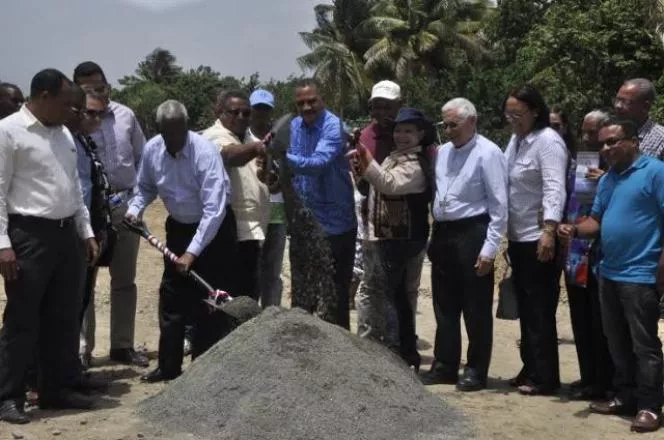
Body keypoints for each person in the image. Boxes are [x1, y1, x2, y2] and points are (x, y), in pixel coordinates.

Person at [0, 69, 99, 424]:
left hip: (65, 234)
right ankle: (8, 396)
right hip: (28, 235)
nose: (71, 110)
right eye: (65, 103)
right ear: (43, 96)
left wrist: (85, 231)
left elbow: (73, 187)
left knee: (63, 317)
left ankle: (56, 388)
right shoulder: (9, 131)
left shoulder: (63, 135)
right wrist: (3, 245)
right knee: (23, 319)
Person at [559, 119, 664, 433]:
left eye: (613, 141)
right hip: (608, 271)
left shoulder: (656, 172)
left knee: (643, 344)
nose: (606, 148)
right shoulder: (608, 180)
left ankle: (649, 405)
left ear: (633, 141)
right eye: (602, 143)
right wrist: (574, 229)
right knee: (616, 341)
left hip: (642, 274)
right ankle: (625, 396)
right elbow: (596, 222)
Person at [126, 100, 235, 383]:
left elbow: (214, 209)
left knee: (209, 301)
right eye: (167, 132)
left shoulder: (205, 152)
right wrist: (135, 209)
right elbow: (145, 188)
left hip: (213, 232)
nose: (173, 139)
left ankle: (204, 370)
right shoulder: (152, 150)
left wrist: (192, 253)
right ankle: (169, 367)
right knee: (172, 299)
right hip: (178, 229)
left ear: (186, 127)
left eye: (178, 131)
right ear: (160, 129)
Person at [420, 98, 508, 392]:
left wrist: (489, 249)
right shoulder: (443, 152)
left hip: (473, 232)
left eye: (453, 125)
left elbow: (499, 207)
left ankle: (475, 369)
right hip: (444, 233)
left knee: (475, 307)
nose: (447, 130)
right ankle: (445, 365)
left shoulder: (489, 152)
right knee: (444, 305)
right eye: (443, 124)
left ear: (473, 121)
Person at [73, 61, 148, 368]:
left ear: (109, 87)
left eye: (99, 87)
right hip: (87, 208)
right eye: (86, 89)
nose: (95, 94)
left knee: (124, 279)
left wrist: (137, 203)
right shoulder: (73, 120)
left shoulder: (126, 116)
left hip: (124, 207)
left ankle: (122, 345)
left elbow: (144, 159)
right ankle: (82, 350)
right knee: (84, 282)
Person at [348, 107, 431, 371]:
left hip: (402, 241)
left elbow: (388, 184)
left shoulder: (416, 163)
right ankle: (395, 349)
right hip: (387, 237)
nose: (402, 136)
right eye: (399, 130)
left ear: (420, 134)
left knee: (395, 297)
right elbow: (372, 186)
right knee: (390, 295)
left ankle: (400, 353)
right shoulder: (397, 157)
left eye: (408, 131)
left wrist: (367, 157)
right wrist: (362, 167)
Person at [503, 85, 568, 396]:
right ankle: (531, 367)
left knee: (540, 308)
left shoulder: (548, 142)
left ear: (535, 112)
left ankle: (545, 376)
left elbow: (555, 187)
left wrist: (549, 231)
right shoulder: (516, 141)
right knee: (526, 308)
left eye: (518, 113)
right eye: (509, 114)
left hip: (538, 237)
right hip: (518, 237)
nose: (513, 119)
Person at [287, 78, 357, 329]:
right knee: (303, 293)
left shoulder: (334, 127)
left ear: (322, 98)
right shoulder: (293, 127)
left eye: (311, 101)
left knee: (333, 296)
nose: (307, 108)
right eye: (301, 103)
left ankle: (337, 360)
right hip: (304, 225)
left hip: (335, 226)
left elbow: (317, 165)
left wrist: (281, 156)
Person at [561, 110, 614, 401]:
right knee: (580, 317)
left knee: (599, 321)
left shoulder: (616, 168)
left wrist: (607, 178)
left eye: (593, 133)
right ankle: (589, 376)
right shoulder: (580, 164)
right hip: (576, 251)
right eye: (584, 132)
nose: (587, 138)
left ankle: (606, 381)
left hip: (603, 254)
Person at [202, 90, 270, 300]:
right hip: (226, 232)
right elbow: (231, 156)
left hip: (253, 230)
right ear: (219, 112)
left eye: (246, 113)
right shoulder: (213, 136)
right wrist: (259, 147)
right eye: (234, 112)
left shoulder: (250, 137)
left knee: (249, 295)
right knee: (226, 294)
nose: (241, 117)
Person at [354, 80, 403, 341]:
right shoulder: (363, 136)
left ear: (398, 106)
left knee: (403, 288)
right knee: (370, 285)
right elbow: (362, 184)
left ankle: (399, 343)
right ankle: (367, 340)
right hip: (371, 220)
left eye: (387, 106)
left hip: (404, 226)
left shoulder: (410, 132)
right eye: (376, 106)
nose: (381, 112)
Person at [71, 89, 115, 370]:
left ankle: (71, 370)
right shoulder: (67, 142)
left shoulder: (85, 143)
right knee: (67, 306)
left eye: (101, 113)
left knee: (81, 300)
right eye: (91, 112)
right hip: (70, 232)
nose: (96, 118)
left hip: (88, 231)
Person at [249, 89, 285, 308]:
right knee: (252, 267)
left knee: (273, 268)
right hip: (251, 210)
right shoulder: (242, 137)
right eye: (258, 109)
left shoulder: (280, 138)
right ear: (251, 110)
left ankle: (271, 316)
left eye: (266, 109)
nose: (261, 114)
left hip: (276, 208)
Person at [614, 78, 664, 160]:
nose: (618, 106)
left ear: (645, 107)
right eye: (617, 100)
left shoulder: (661, 141)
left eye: (625, 102)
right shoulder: (609, 134)